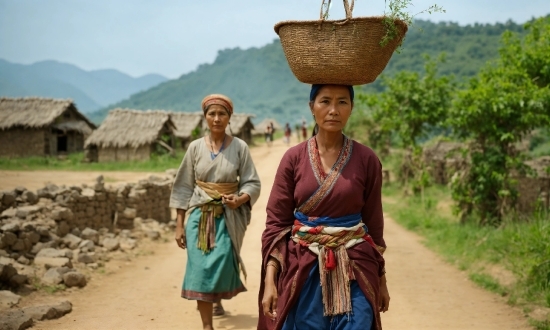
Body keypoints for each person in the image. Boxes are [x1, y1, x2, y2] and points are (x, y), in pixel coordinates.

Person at [258, 85, 390, 330]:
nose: (333, 110)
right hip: (304, 266)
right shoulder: (293, 158)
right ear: (311, 107)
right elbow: (276, 225)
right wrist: (270, 280)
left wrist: (381, 279)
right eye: (325, 101)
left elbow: (375, 226)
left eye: (342, 102)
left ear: (351, 108)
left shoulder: (367, 159)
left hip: (355, 267)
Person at [170, 94, 261, 330]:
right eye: (212, 114)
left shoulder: (240, 147)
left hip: (228, 217)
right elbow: (183, 186)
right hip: (200, 217)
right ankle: (207, 326)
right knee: (201, 268)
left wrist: (239, 199)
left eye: (222, 114)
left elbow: (252, 182)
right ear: (205, 117)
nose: (217, 118)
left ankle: (216, 299)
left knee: (221, 262)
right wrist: (179, 224)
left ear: (229, 118)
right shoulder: (195, 148)